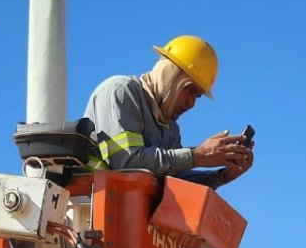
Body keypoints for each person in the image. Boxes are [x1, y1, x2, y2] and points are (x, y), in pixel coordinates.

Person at [82, 35, 254, 188]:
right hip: (88, 212)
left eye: (198, 96)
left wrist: (222, 176)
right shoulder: (120, 91)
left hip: (126, 217)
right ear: (170, 75)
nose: (191, 103)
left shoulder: (170, 128)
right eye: (190, 90)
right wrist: (198, 155)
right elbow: (126, 161)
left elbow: (174, 183)